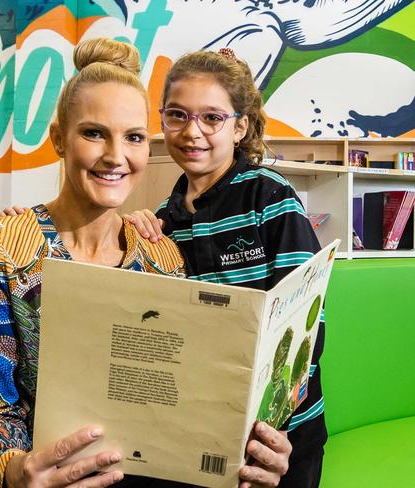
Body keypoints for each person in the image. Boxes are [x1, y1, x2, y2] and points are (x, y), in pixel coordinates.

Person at [0, 38, 291, 488]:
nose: (115, 156)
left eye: (132, 137)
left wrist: (251, 450)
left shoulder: (162, 254)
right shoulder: (0, 250)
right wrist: (15, 470)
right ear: (58, 139)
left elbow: (192, 394)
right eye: (94, 133)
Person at [124, 48, 326, 488]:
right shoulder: (164, 219)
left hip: (284, 435)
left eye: (212, 118)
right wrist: (140, 243)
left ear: (240, 126)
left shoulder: (270, 198)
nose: (192, 132)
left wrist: (273, 424)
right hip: (206, 428)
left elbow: (307, 319)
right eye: (177, 115)